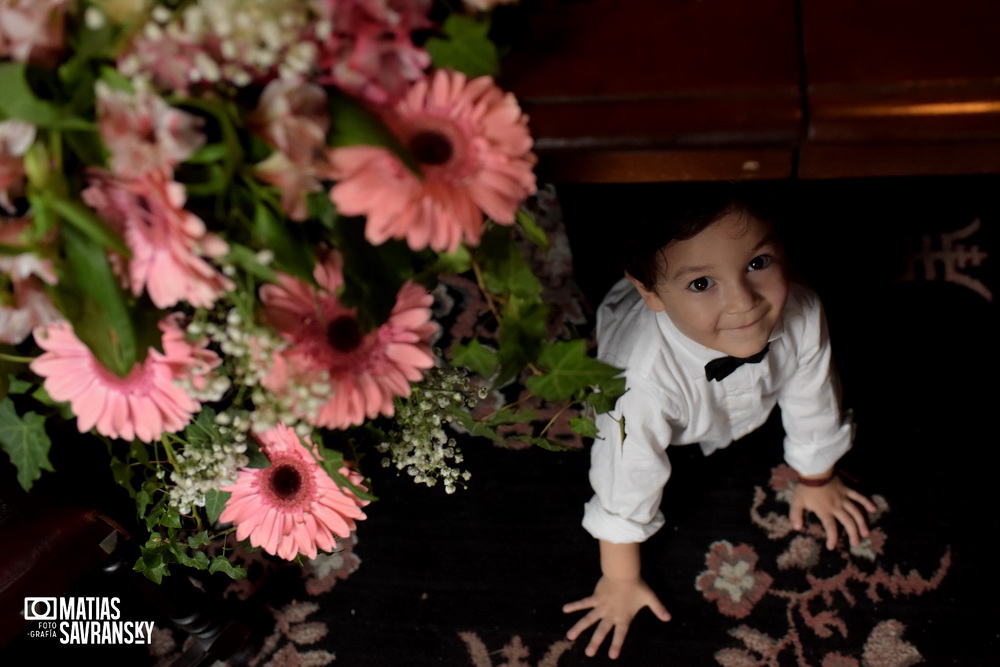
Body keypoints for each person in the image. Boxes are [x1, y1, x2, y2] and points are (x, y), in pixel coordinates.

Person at [561, 182, 877, 659]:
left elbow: (813, 390)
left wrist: (817, 474)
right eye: (702, 284)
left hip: (729, 404)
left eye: (757, 264)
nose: (744, 302)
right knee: (592, 213)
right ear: (650, 292)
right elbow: (626, 472)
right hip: (642, 356)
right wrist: (620, 577)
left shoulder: (803, 309)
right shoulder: (638, 383)